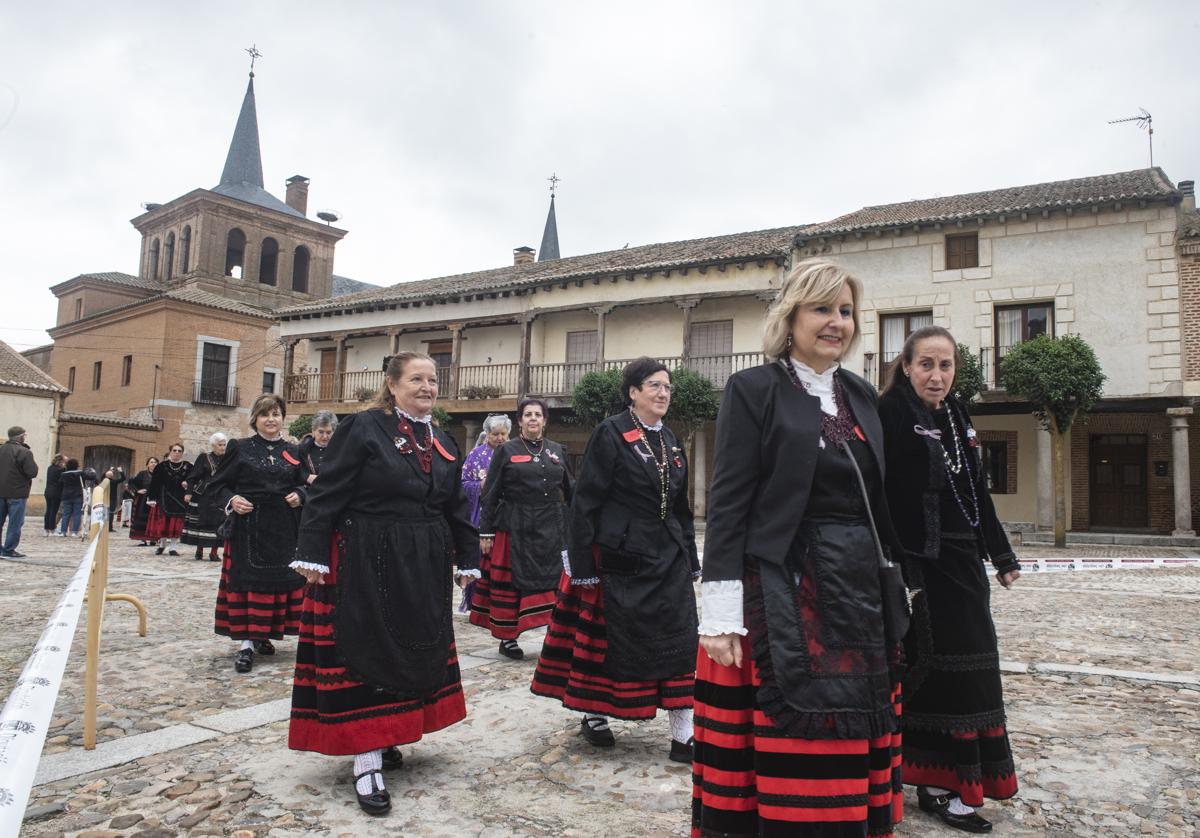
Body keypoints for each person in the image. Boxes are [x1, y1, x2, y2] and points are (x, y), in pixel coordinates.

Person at [691, 259, 904, 837]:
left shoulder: (861, 396)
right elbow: (729, 503)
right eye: (822, 309)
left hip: (858, 590)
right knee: (796, 729)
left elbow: (878, 501)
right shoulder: (754, 390)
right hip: (784, 586)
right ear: (790, 317)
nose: (837, 322)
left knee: (855, 725)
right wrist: (720, 615)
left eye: (845, 311)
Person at [287, 351, 480, 817]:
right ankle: (367, 758)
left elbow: (455, 504)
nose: (427, 387)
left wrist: (468, 556)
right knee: (368, 647)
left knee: (413, 646)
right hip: (368, 555)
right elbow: (327, 491)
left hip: (424, 562)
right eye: (416, 379)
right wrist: (312, 550)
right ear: (392, 385)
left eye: (433, 380)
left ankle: (393, 731)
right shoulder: (364, 427)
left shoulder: (443, 439)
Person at [879, 325, 1020, 833]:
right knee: (933, 668)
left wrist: (1001, 555)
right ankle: (938, 785)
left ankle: (955, 779)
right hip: (919, 563)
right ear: (907, 366)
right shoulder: (892, 411)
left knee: (976, 664)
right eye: (926, 365)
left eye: (946, 366)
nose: (937, 376)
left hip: (962, 564)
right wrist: (893, 560)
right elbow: (878, 490)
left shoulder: (959, 415)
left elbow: (977, 493)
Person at [531, 357, 699, 761]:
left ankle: (684, 733)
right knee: (608, 640)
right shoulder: (611, 433)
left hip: (667, 554)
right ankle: (594, 714)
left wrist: (690, 555)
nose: (663, 393)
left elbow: (680, 506)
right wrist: (583, 565)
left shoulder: (671, 440)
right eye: (654, 386)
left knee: (680, 639)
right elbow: (585, 500)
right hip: (621, 556)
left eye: (667, 387)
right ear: (633, 392)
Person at [209, 395, 308, 674]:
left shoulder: (294, 451)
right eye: (265, 414)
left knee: (278, 584)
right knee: (248, 586)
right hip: (248, 528)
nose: (271, 419)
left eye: (276, 414)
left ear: (283, 418)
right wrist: (233, 500)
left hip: (283, 528)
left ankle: (263, 634)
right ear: (255, 418)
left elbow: (307, 485)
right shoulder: (239, 448)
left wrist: (301, 494)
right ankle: (246, 645)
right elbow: (217, 486)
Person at [473, 400, 569, 659]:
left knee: (555, 583)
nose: (533, 419)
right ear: (520, 421)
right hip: (514, 527)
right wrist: (486, 531)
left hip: (550, 528)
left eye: (538, 415)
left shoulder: (558, 450)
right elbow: (491, 493)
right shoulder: (506, 450)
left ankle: (557, 636)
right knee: (512, 585)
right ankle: (508, 639)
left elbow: (571, 492)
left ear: (545, 420)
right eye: (528, 415)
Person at [182, 433, 229, 561]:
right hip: (203, 495)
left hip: (220, 494)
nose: (223, 447)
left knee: (219, 523)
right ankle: (199, 550)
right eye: (220, 445)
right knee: (202, 522)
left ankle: (214, 553)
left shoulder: (227, 459)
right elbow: (193, 477)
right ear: (213, 445)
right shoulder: (204, 457)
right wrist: (189, 492)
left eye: (224, 445)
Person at [461, 414, 511, 528]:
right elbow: (462, 484)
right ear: (487, 434)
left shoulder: (515, 453)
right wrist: (480, 485)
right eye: (495, 434)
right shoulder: (475, 454)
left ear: (508, 433)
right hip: (482, 514)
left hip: (509, 513)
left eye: (503, 434)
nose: (499, 438)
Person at [146, 443, 191, 555]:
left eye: (179, 451)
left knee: (176, 523)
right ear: (170, 451)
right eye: (174, 450)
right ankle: (162, 545)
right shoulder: (161, 466)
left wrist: (188, 484)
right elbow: (154, 483)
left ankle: (173, 548)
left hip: (180, 498)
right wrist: (152, 498)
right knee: (164, 522)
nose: (176, 452)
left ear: (182, 453)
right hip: (164, 497)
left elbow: (194, 479)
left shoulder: (188, 466)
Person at [0, 426, 38, 558]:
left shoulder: (1, 449)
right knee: (15, 523)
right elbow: (32, 472)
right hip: (17, 493)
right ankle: (9, 549)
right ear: (20, 437)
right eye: (24, 435)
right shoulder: (24, 452)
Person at [298, 411, 338, 485]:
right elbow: (296, 474)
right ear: (313, 431)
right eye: (321, 432)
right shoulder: (302, 451)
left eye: (329, 432)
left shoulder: (340, 451)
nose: (325, 436)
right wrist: (306, 477)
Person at [127, 457, 158, 545]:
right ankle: (143, 539)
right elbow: (132, 483)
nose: (153, 464)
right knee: (143, 519)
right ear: (147, 464)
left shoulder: (160, 475)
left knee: (154, 519)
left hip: (155, 500)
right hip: (143, 501)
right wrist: (137, 491)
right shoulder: (142, 474)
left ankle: (153, 539)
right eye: (151, 462)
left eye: (155, 462)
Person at [57, 458, 86, 538]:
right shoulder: (80, 473)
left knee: (66, 514)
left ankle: (63, 531)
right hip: (77, 495)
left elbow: (59, 483)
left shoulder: (64, 474)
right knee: (77, 514)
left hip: (66, 496)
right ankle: (74, 532)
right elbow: (89, 477)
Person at [43, 453, 66, 536]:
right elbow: (61, 482)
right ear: (61, 461)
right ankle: (52, 529)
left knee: (48, 510)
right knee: (54, 511)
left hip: (48, 491)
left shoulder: (50, 468)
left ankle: (46, 529)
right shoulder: (61, 470)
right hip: (56, 492)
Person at [102, 467, 126, 533]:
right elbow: (123, 478)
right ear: (112, 475)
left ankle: (103, 526)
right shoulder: (114, 482)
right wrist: (120, 471)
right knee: (111, 513)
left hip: (104, 498)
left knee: (104, 513)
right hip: (112, 499)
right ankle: (109, 528)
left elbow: (104, 475)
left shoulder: (103, 480)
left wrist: (109, 470)